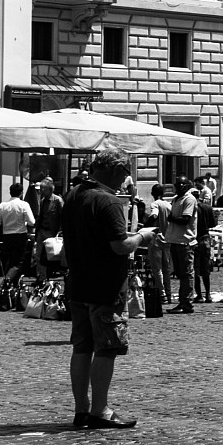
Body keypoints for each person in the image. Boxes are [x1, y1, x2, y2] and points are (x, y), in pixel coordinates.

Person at [58, 143, 163, 429]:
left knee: (81, 347)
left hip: (78, 283)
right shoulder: (110, 201)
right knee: (106, 348)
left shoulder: (73, 195)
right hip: (106, 286)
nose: (127, 177)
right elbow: (120, 246)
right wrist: (142, 237)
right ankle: (100, 410)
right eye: (126, 171)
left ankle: (81, 409)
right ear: (116, 170)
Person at [160, 180, 200, 314]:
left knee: (186, 273)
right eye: (177, 185)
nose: (179, 187)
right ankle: (183, 301)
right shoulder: (176, 199)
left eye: (182, 185)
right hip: (175, 239)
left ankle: (186, 303)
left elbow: (185, 220)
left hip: (185, 241)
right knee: (180, 273)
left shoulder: (189, 199)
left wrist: (171, 219)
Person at [0, 180, 36, 279]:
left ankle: (13, 282)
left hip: (6, 236)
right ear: (21, 193)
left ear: (10, 192)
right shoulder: (24, 205)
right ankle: (8, 280)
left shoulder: (2, 206)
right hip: (20, 235)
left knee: (9, 260)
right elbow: (31, 222)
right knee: (18, 262)